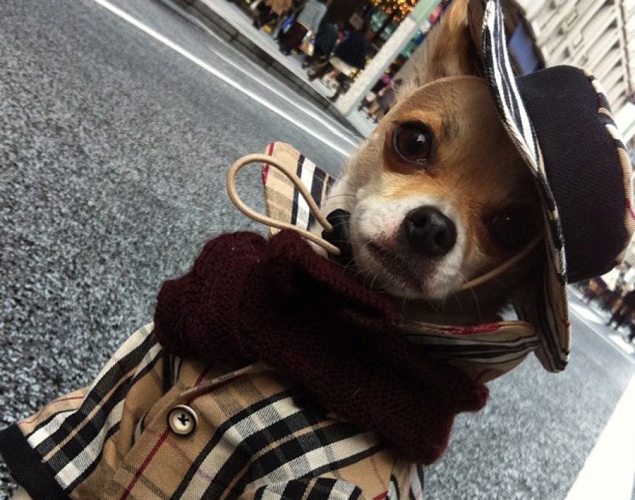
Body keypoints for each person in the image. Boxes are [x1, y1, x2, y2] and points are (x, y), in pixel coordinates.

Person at [307, 23, 368, 102]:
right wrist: (356, 64)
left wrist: (338, 51)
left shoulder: (355, 34)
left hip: (342, 57)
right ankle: (335, 97)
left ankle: (314, 76)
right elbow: (362, 55)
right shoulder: (364, 42)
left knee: (327, 66)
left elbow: (346, 44)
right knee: (342, 80)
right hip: (349, 63)